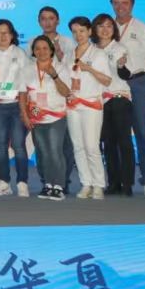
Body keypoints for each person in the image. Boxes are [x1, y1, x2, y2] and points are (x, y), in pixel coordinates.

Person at [109, 0, 145, 194]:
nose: (120, 6)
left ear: (132, 5)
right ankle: (119, 181)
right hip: (114, 84)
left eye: (125, 2)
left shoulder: (141, 27)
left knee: (142, 132)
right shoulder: (106, 27)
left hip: (138, 83)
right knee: (115, 134)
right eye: (116, 2)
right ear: (111, 4)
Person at [64, 15, 112, 198]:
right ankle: (86, 183)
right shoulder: (69, 55)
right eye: (75, 32)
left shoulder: (98, 54)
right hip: (73, 105)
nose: (78, 35)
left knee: (91, 146)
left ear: (90, 31)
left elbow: (107, 80)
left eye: (82, 31)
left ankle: (99, 184)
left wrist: (89, 69)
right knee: (78, 146)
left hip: (91, 104)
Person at [0, 19, 28, 196]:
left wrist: (23, 105)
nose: (2, 36)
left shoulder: (19, 53)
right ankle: (4, 181)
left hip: (16, 105)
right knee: (0, 144)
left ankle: (22, 182)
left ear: (12, 35)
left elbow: (25, 80)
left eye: (6, 32)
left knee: (18, 144)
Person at [22, 35, 71, 200]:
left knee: (55, 151)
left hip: (56, 115)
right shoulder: (28, 69)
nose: (41, 51)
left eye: (45, 48)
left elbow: (66, 92)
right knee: (42, 152)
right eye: (37, 49)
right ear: (33, 52)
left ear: (51, 50)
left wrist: (55, 76)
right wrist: (25, 116)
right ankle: (48, 184)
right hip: (36, 115)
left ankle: (59, 186)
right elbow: (22, 94)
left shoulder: (61, 67)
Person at [93, 13, 135, 196]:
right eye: (101, 26)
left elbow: (126, 74)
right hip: (100, 102)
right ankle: (114, 183)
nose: (105, 30)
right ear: (94, 29)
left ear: (114, 29)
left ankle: (127, 183)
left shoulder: (119, 48)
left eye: (109, 26)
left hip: (119, 99)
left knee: (124, 142)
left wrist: (121, 66)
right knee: (108, 143)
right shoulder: (91, 50)